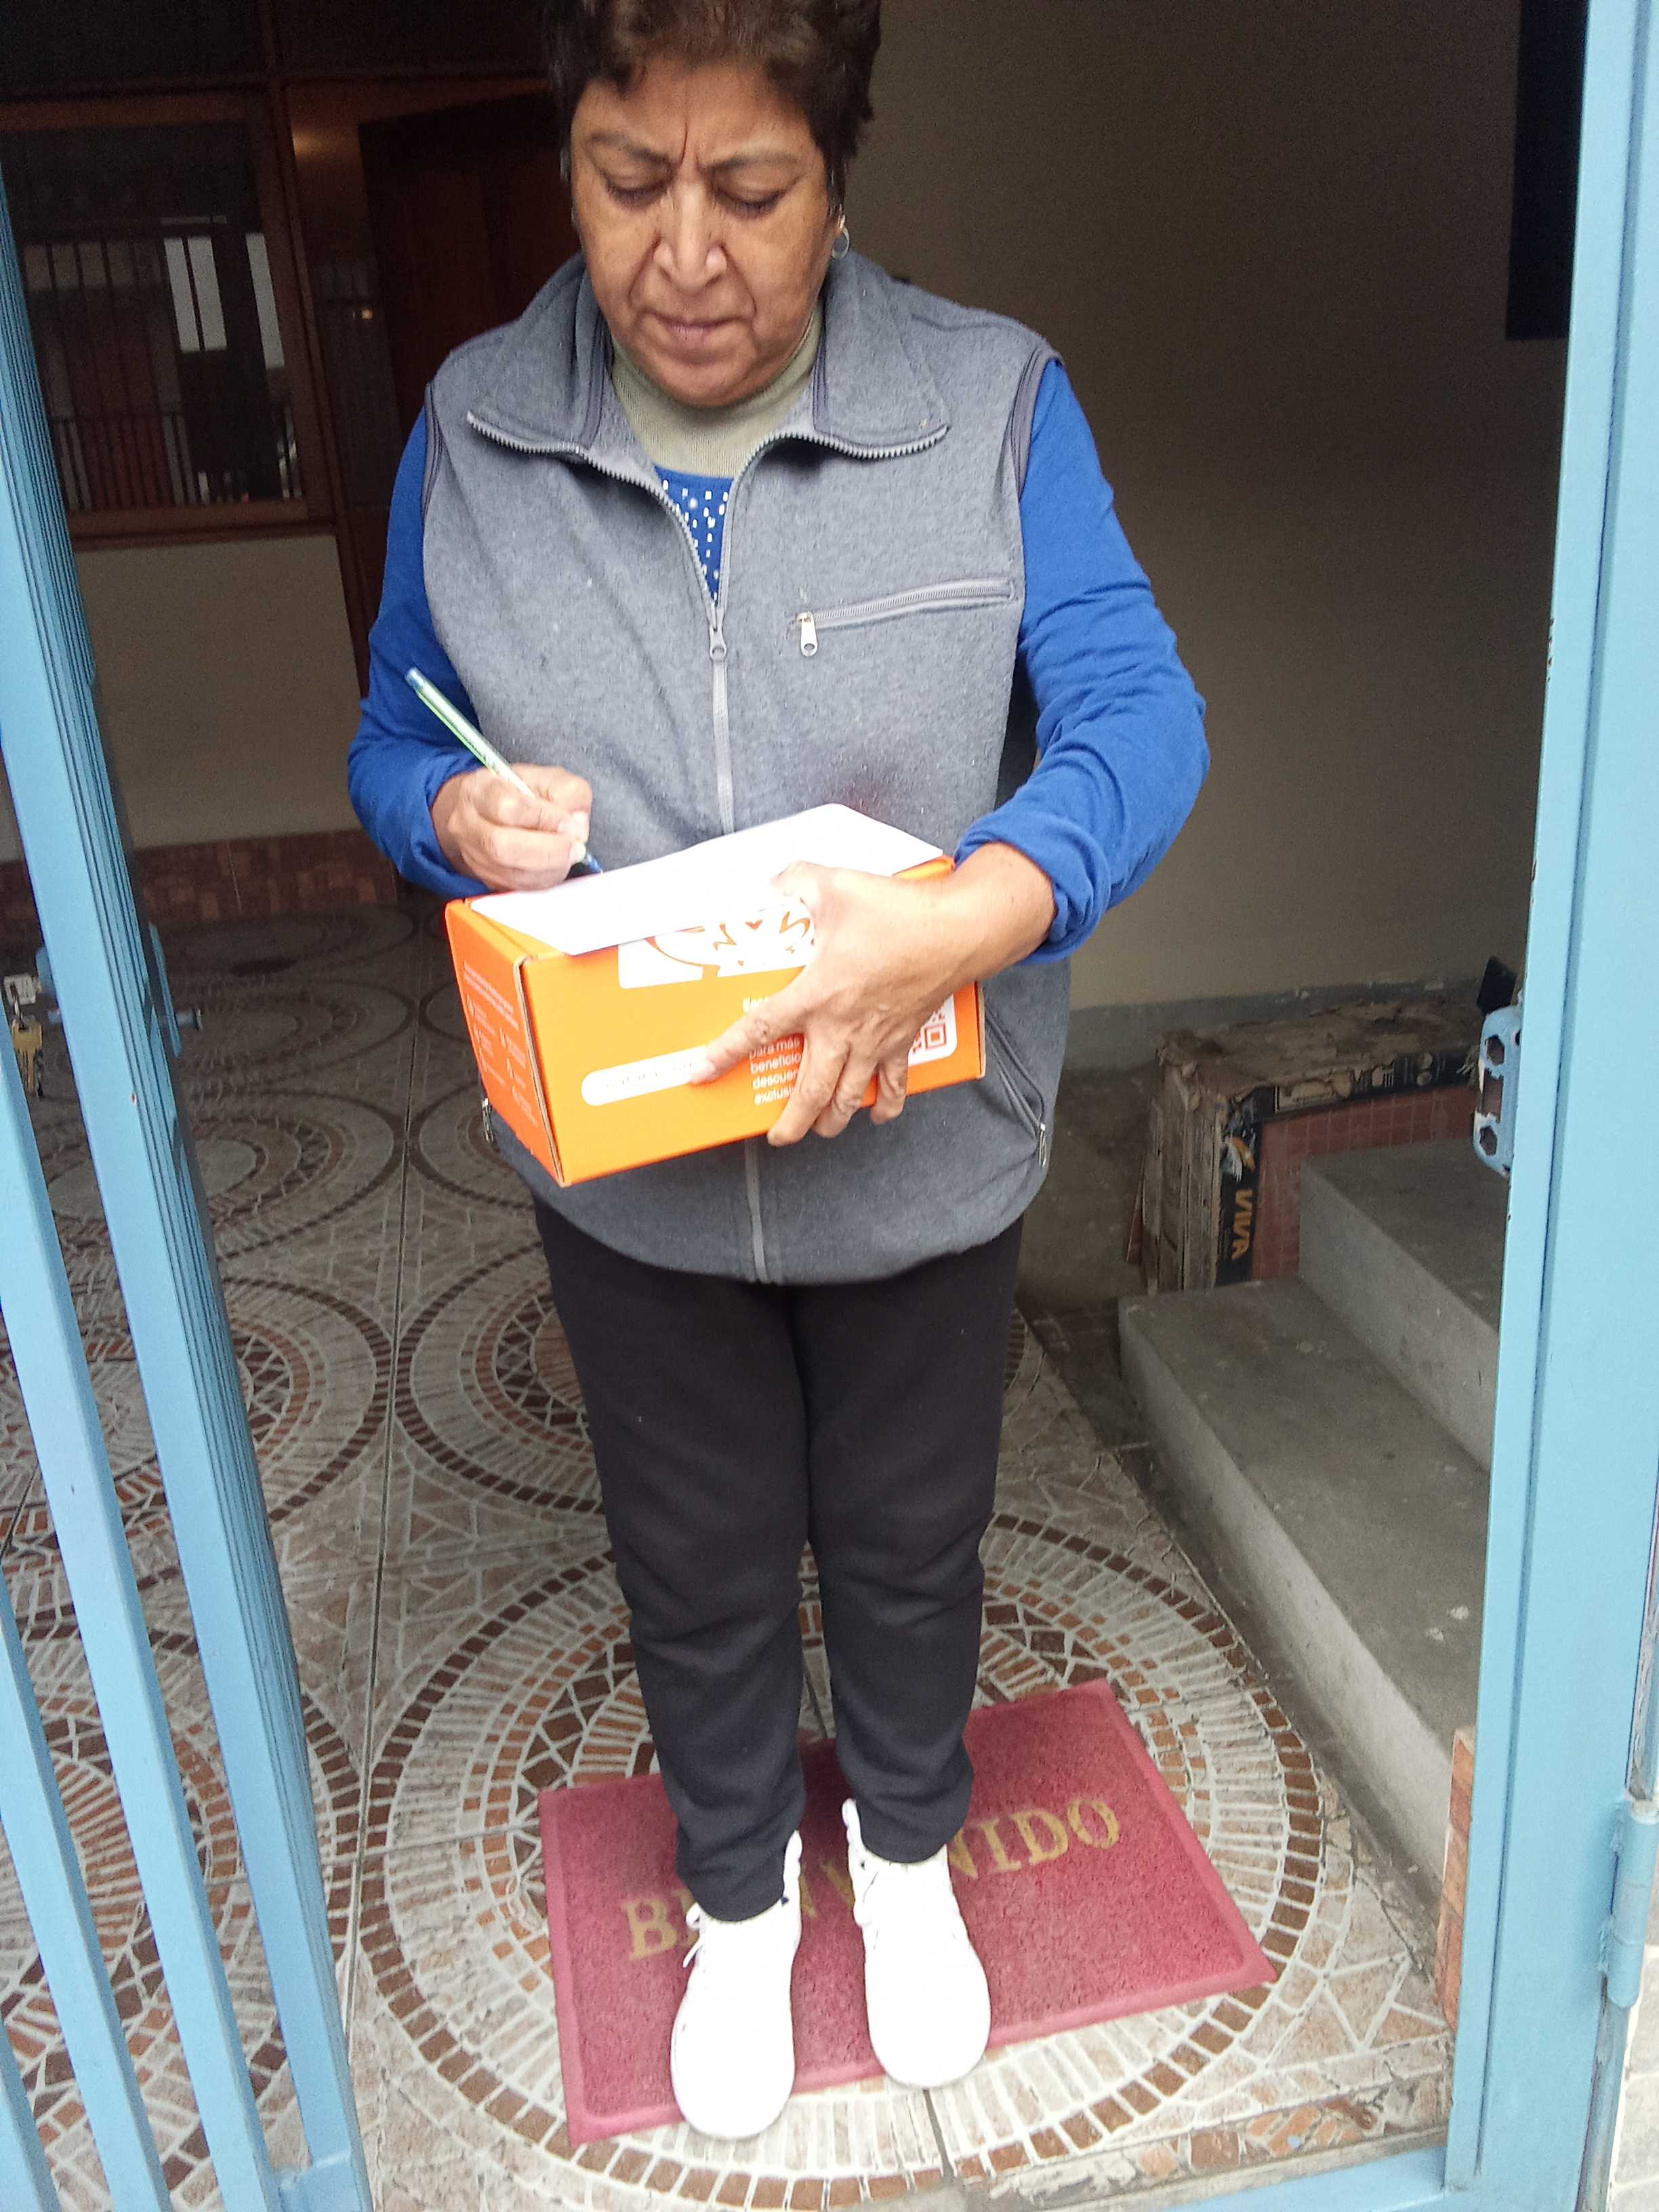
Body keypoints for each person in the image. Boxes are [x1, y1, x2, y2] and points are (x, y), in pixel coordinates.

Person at [349, 0, 1208, 2142]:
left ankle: (906, 1870)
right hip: (635, 1170)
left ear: (842, 177)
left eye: (750, 191)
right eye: (629, 183)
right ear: (564, 158)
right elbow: (387, 730)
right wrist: (443, 817)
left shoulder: (992, 407)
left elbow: (1140, 717)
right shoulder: (473, 429)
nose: (686, 256)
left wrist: (974, 912)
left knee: (911, 1539)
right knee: (699, 1554)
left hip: (921, 1147)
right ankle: (742, 1904)